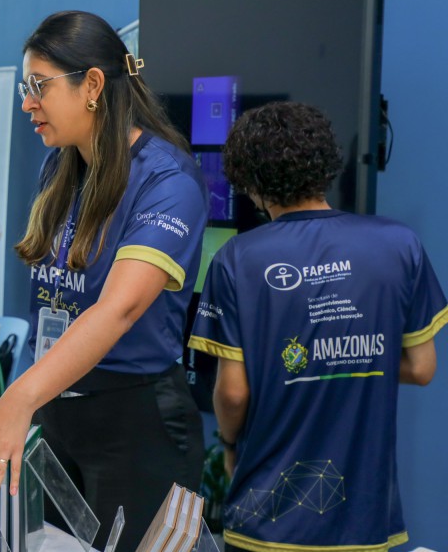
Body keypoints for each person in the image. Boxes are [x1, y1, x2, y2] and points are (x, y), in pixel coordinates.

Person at [0, 11, 207, 552]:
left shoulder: (168, 181)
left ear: (92, 84)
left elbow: (116, 311)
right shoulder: (62, 166)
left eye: (38, 87)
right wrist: (31, 400)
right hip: (58, 411)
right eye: (27, 88)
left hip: (135, 423)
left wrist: (17, 400)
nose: (27, 103)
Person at [188, 102, 444, 552]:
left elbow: (233, 393)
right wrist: (345, 354)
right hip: (363, 518)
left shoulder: (237, 259)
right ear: (324, 165)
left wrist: (229, 446)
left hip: (266, 520)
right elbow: (422, 368)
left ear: (250, 182)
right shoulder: (400, 245)